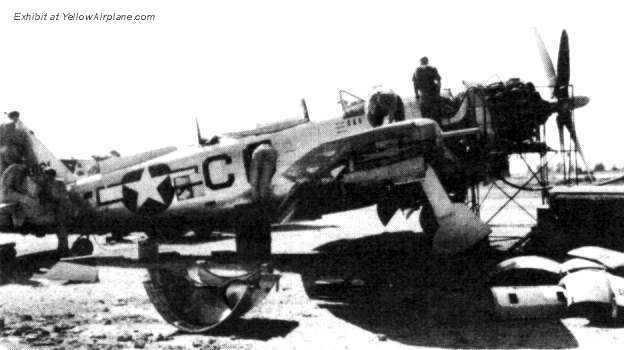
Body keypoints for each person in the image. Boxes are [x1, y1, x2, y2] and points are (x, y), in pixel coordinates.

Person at [412, 57, 442, 121]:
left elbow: (415, 85)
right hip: (433, 95)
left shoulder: (416, 70)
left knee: (426, 118)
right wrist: (438, 92)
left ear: (420, 62)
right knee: (437, 116)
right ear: (427, 61)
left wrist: (417, 95)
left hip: (423, 96)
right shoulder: (432, 68)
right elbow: (439, 81)